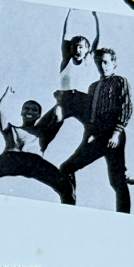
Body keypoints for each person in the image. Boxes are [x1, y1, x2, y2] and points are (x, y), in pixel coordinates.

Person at [0, 87, 76, 204]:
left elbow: (57, 118)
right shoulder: (11, 129)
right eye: (26, 108)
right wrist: (8, 93)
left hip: (34, 162)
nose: (29, 111)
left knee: (66, 186)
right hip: (10, 159)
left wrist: (59, 101)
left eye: (34, 110)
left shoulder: (42, 133)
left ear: (39, 115)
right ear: (21, 112)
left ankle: (69, 210)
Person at [60, 46, 134, 212]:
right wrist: (88, 137)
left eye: (106, 62)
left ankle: (124, 216)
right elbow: (90, 116)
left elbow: (126, 108)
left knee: (117, 181)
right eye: (99, 62)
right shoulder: (93, 87)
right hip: (97, 135)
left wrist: (116, 133)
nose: (103, 66)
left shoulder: (120, 81)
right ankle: (68, 207)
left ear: (114, 63)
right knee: (67, 168)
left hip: (113, 133)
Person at [34, 8, 101, 158]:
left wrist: (97, 17)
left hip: (84, 100)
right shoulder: (67, 61)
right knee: (53, 118)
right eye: (75, 46)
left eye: (81, 47)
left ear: (87, 50)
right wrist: (70, 11)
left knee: (93, 128)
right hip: (65, 99)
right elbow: (66, 34)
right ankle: (38, 149)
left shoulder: (88, 62)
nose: (77, 49)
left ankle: (82, 154)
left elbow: (98, 39)